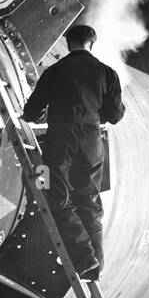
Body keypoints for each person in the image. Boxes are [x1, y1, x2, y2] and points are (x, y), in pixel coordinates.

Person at [20, 24, 124, 279]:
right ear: (92, 44)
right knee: (89, 201)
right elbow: (116, 115)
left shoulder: (55, 71)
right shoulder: (107, 73)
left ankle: (84, 257)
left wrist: (32, 114)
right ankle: (96, 266)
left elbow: (32, 111)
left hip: (61, 139)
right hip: (91, 140)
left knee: (57, 197)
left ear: (68, 43)